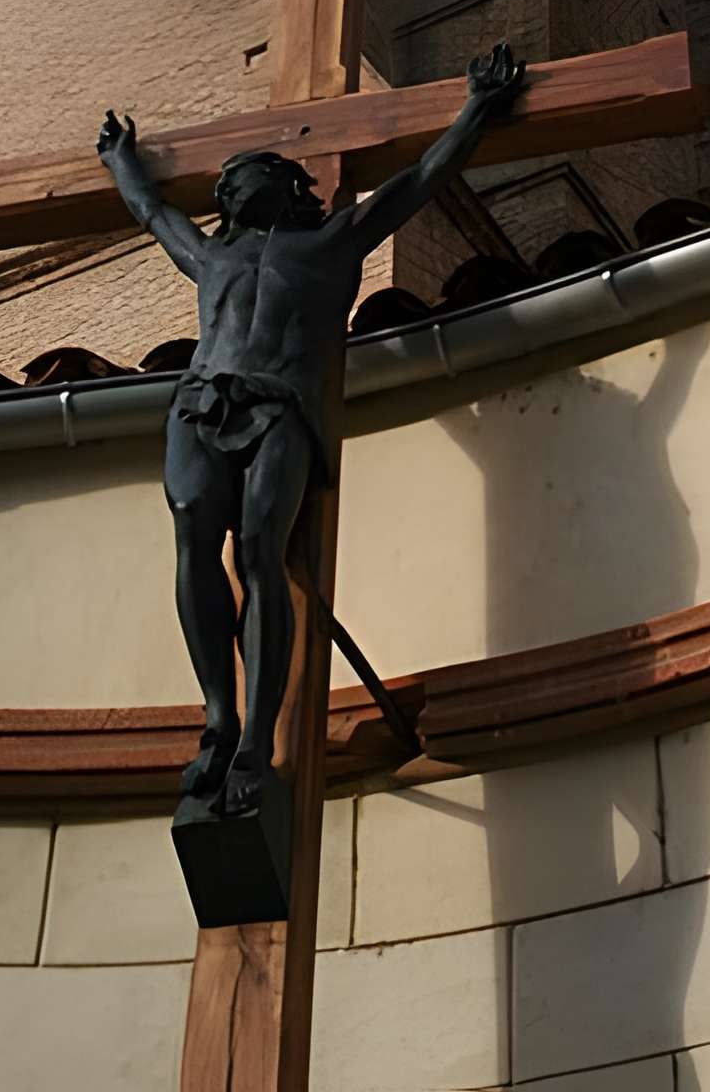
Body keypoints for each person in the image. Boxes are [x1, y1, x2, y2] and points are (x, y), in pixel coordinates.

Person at [97, 40, 526, 814]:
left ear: (288, 186)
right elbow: (154, 212)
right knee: (194, 525)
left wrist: (476, 111)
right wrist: (122, 160)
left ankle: (256, 741)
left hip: (279, 407)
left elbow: (417, 182)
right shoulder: (211, 257)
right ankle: (218, 718)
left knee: (262, 548)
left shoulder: (331, 242)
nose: (230, 186)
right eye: (227, 184)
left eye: (245, 175)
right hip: (201, 402)